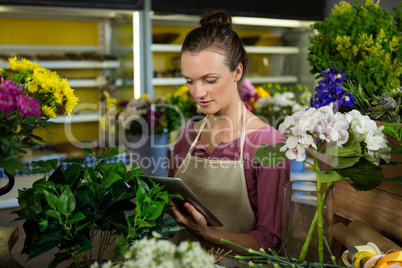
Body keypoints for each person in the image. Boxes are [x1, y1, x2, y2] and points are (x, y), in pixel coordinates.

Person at [167, 10, 290, 266]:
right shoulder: (187, 136)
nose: (198, 93)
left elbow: (270, 241)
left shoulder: (268, 143)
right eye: (189, 81)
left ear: (237, 72)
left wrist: (206, 233)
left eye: (210, 80)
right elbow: (169, 207)